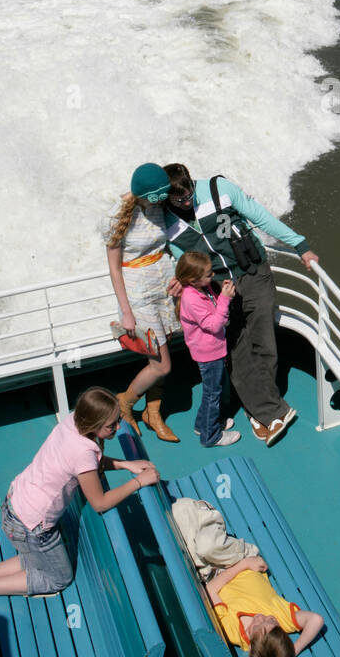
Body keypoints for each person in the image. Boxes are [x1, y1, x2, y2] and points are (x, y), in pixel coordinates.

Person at [0, 388, 158, 633]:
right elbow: (100, 502)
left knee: (39, 559)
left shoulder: (72, 421)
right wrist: (138, 482)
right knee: (57, 577)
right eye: (112, 425)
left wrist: (124, 465)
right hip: (31, 526)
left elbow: (89, 465)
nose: (118, 428)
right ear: (95, 424)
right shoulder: (82, 452)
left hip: (16, 503)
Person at [162, 163, 318, 447]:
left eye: (189, 195)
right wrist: (180, 279)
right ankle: (268, 412)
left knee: (265, 343)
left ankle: (261, 410)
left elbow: (261, 218)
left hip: (254, 273)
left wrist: (300, 245)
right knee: (236, 351)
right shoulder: (165, 220)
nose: (186, 202)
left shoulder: (219, 188)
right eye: (179, 200)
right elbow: (180, 258)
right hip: (219, 290)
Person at [102, 163, 181, 442]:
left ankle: (153, 413)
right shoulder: (116, 216)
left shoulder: (158, 203)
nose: (160, 202)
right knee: (162, 365)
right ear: (143, 193)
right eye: (156, 197)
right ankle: (125, 403)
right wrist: (126, 312)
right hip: (138, 293)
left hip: (164, 283)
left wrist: (181, 277)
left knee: (162, 351)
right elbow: (114, 269)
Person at [205, 553, 324, 657]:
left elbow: (209, 590)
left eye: (256, 626)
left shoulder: (232, 632)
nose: (262, 617)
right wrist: (293, 651)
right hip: (239, 557)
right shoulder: (281, 619)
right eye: (272, 621)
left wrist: (243, 565)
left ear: (250, 646)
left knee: (203, 546)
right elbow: (316, 619)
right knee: (207, 546)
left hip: (215, 573)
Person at [175, 252, 242, 449]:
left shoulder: (200, 290)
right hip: (209, 353)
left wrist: (221, 295)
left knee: (211, 391)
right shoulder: (191, 299)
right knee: (214, 394)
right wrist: (225, 299)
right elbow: (213, 325)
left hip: (212, 350)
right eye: (207, 275)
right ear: (191, 279)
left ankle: (201, 425)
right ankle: (210, 436)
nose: (212, 276)